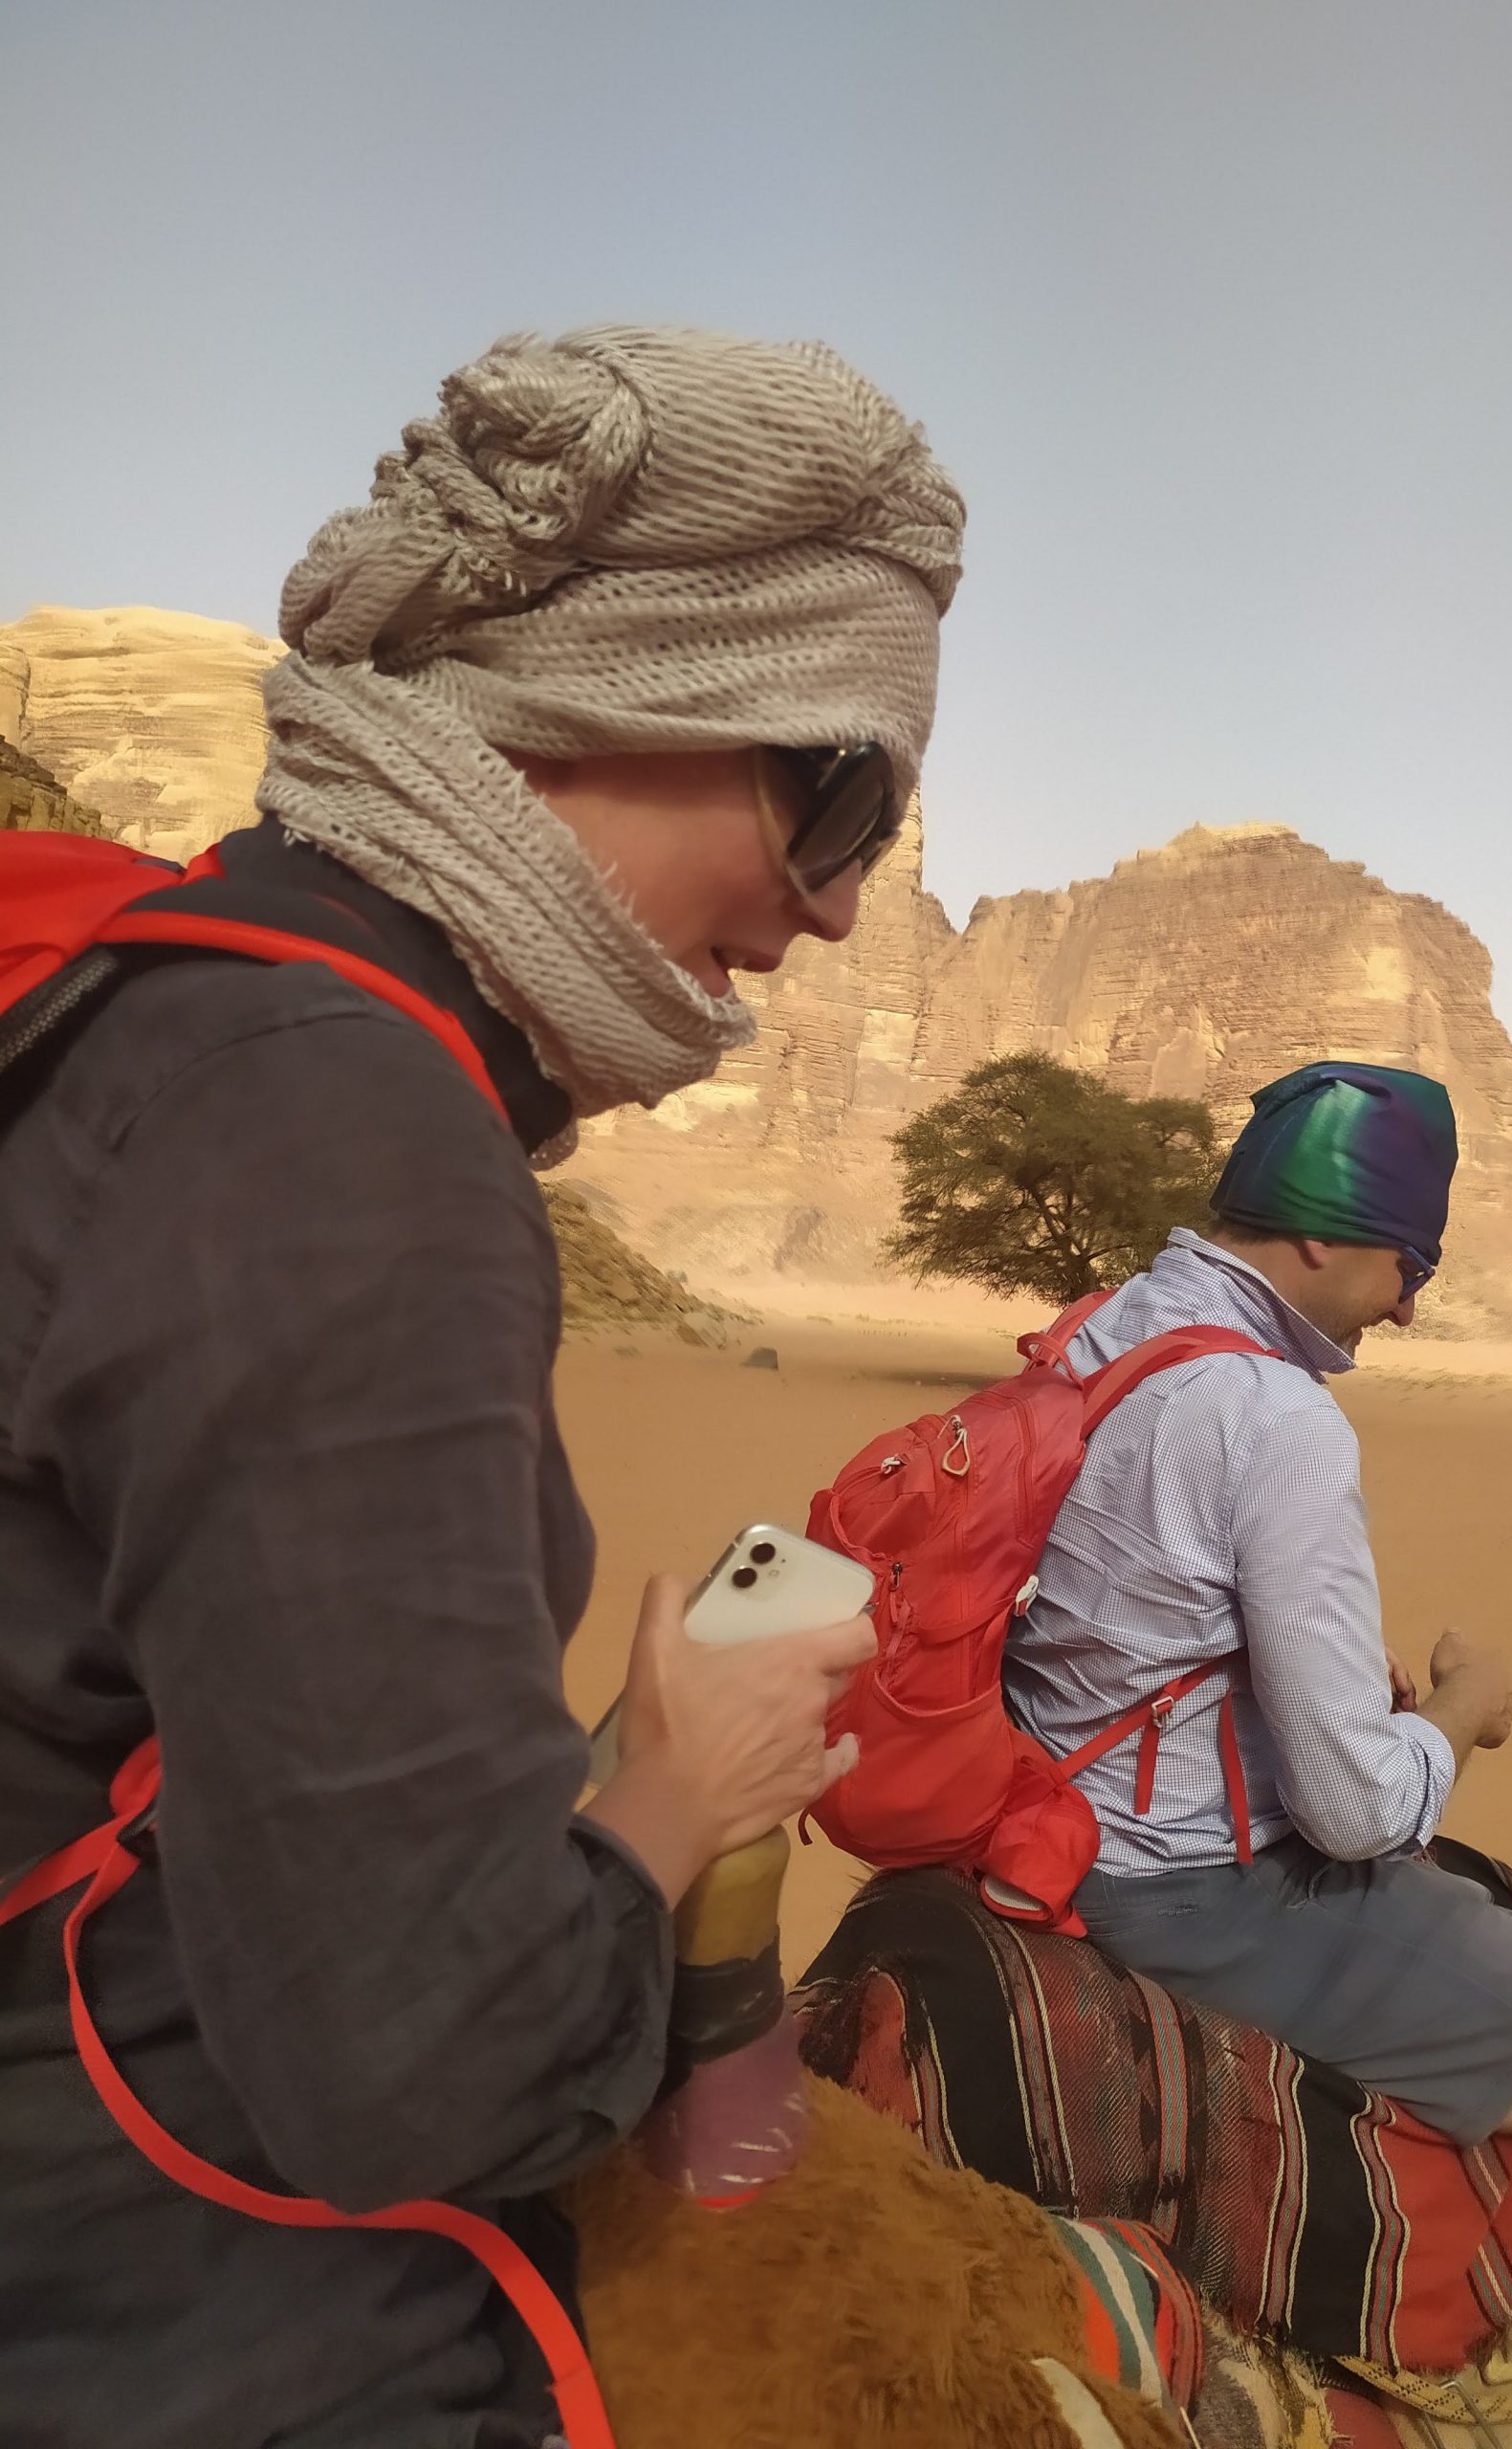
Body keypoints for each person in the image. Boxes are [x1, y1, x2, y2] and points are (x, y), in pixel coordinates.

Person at [0, 325, 963, 2448]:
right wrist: (684, 1789)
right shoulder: (340, 1133)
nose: (831, 909)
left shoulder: (149, 1011)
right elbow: (427, 2067)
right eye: (836, 793)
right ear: (618, 691)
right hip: (148, 2290)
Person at [1004, 1060, 1512, 2447]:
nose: (1409, 1305)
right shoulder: (1276, 1416)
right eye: (1410, 1264)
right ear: (1322, 1237)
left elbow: (1125, 1616)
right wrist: (1460, 1710)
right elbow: (1353, 1810)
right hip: (1209, 1897)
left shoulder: (1106, 1333)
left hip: (1064, 1826)